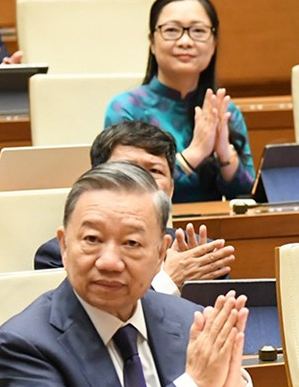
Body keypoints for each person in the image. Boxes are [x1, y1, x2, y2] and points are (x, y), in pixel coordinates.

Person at [0, 165, 265, 387]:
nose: (108, 261)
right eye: (92, 239)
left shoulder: (188, 320)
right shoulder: (23, 343)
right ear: (64, 246)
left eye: (131, 243)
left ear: (161, 253)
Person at [32, 122, 237, 289]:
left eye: (154, 171)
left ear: (172, 189)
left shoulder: (199, 255)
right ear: (97, 179)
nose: (141, 180)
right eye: (127, 169)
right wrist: (167, 281)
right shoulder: (58, 255)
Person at [102, 0, 256, 202]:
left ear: (213, 45)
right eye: (172, 30)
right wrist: (194, 153)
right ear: (152, 43)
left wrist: (224, 154)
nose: (185, 41)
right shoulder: (126, 109)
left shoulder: (226, 111)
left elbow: (247, 195)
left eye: (198, 31)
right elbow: (128, 189)